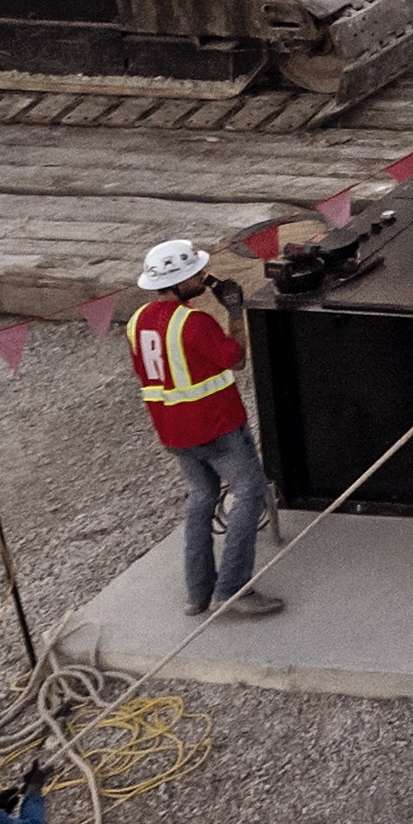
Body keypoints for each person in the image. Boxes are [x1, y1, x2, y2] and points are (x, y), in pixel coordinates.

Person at [128, 234, 275, 622]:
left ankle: (198, 593)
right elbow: (236, 359)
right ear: (179, 282)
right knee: (249, 492)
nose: (203, 277)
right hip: (216, 425)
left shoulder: (137, 322)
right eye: (196, 273)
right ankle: (233, 589)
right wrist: (235, 313)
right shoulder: (194, 323)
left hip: (173, 431)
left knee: (201, 497)